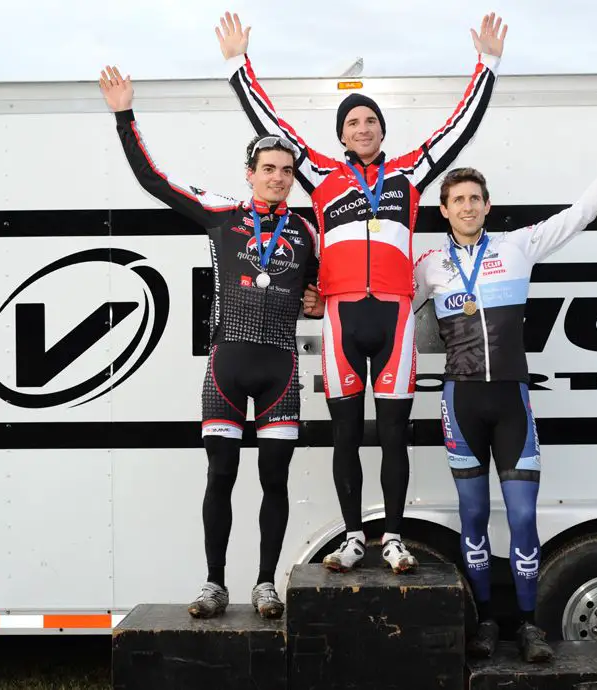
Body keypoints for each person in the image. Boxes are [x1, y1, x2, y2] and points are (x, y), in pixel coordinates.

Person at [216, 11, 507, 574]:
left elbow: (458, 128)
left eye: (370, 119)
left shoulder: (409, 174)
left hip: (394, 316)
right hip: (342, 317)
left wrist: (487, 65)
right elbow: (272, 122)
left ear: (381, 130)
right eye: (352, 121)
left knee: (394, 434)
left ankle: (393, 536)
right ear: (340, 134)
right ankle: (353, 535)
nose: (362, 127)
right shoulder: (319, 174)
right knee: (345, 434)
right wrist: (237, 66)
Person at [408, 116, 597, 661]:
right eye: (457, 199)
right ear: (444, 210)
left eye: (476, 198)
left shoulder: (517, 247)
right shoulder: (430, 265)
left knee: (523, 516)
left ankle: (529, 625)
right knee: (470, 516)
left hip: (511, 400)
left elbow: (580, 214)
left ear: (487, 206)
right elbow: (405, 321)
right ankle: (487, 623)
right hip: (460, 400)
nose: (467, 206)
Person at [99, 65, 324, 619]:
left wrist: (317, 302)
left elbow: (321, 291)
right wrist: (125, 115)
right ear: (249, 173)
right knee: (220, 475)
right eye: (268, 169)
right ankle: (214, 583)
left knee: (275, 480)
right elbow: (155, 181)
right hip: (226, 363)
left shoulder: (306, 230)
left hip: (281, 370)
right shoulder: (222, 214)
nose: (277, 178)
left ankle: (267, 583)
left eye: (286, 171)